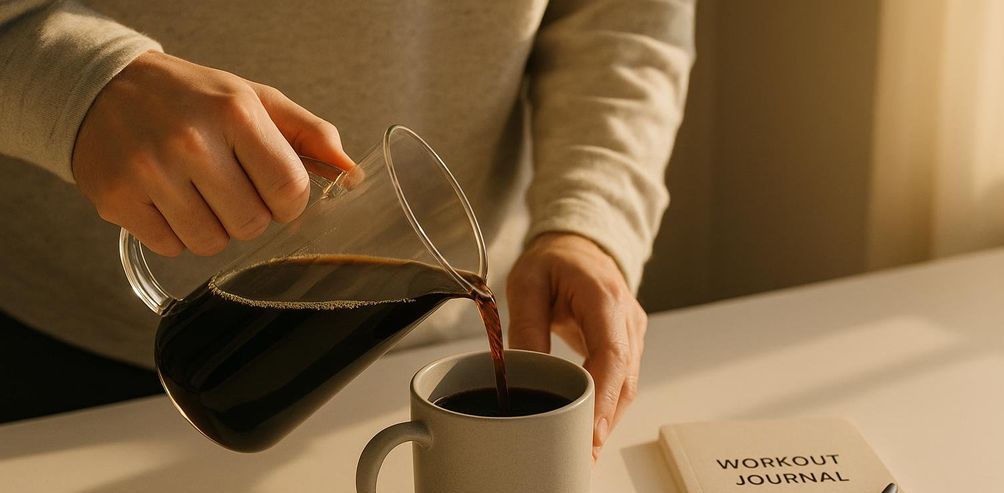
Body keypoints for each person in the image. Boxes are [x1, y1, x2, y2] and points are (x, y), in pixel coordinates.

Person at [0, 1, 693, 457]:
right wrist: (80, 85)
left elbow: (626, 21)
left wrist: (588, 223)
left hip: (411, 353)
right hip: (51, 351)